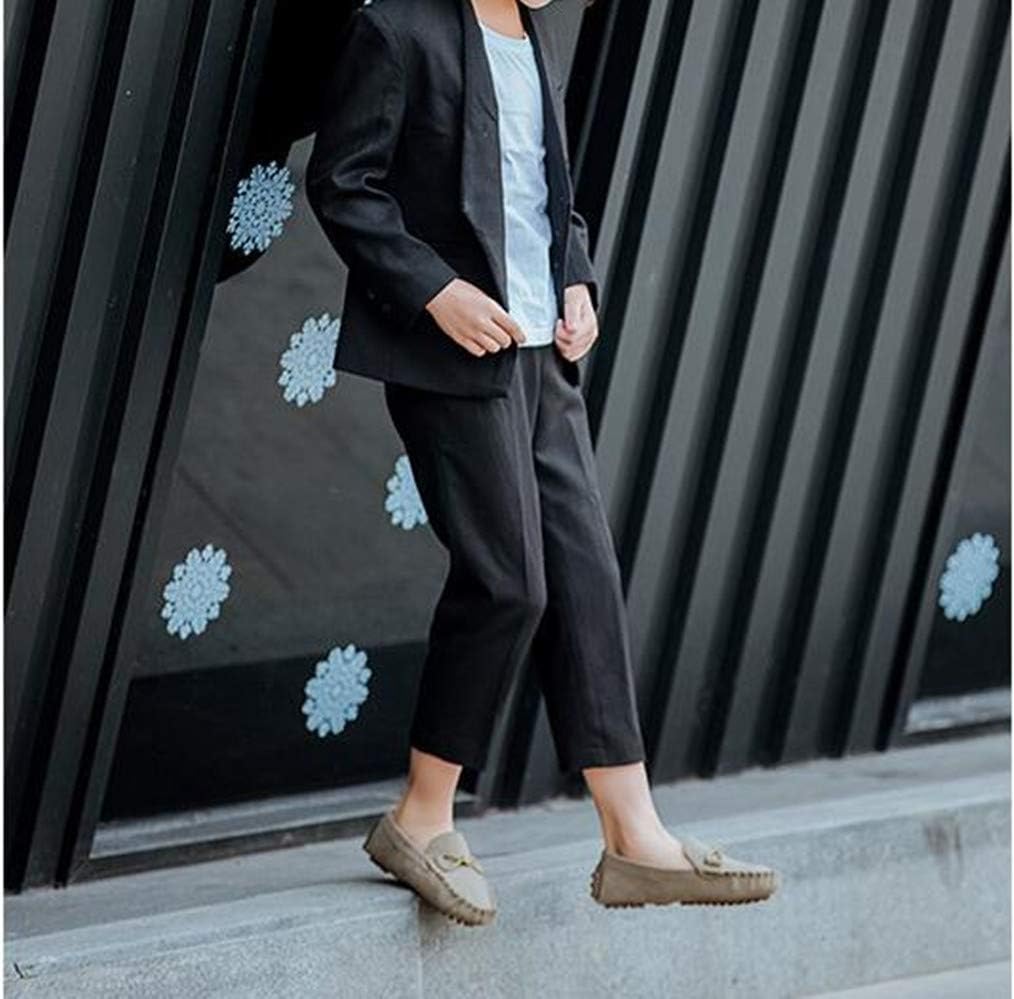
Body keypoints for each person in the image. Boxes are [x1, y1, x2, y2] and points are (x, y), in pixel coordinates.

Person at [305, 0, 778, 925]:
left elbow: (543, 191)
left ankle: (634, 832)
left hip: (541, 360)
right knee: (508, 581)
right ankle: (421, 816)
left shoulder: (534, 33)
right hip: (454, 357)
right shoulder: (397, 31)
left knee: (585, 573)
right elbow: (344, 185)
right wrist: (436, 292)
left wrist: (575, 277)